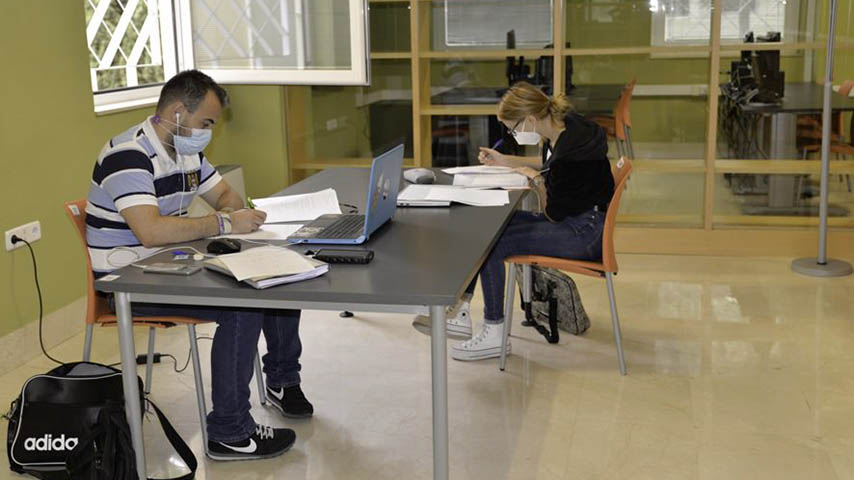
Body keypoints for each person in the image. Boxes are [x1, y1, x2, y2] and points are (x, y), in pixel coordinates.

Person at [86, 70, 311, 461]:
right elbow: (151, 232)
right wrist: (224, 222)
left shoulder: (186, 150)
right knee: (242, 306)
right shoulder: (129, 154)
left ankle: (282, 380)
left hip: (170, 264)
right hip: (128, 282)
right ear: (177, 112)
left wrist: (231, 209)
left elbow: (226, 193)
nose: (209, 130)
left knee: (275, 275)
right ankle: (229, 433)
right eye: (206, 122)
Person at [416, 81, 615, 361]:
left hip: (584, 233)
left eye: (514, 128)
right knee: (487, 229)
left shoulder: (572, 154)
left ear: (530, 119)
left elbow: (552, 211)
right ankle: (460, 309)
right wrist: (505, 161)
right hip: (581, 219)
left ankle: (495, 333)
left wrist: (535, 179)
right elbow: (548, 163)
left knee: (493, 243)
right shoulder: (562, 127)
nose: (513, 133)